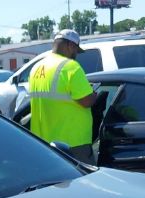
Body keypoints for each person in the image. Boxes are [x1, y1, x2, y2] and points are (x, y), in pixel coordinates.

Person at [28, 29, 97, 164]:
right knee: (82, 183)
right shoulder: (71, 66)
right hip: (73, 144)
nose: (76, 54)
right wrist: (94, 94)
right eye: (76, 50)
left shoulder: (36, 67)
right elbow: (86, 101)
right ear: (70, 45)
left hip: (42, 144)